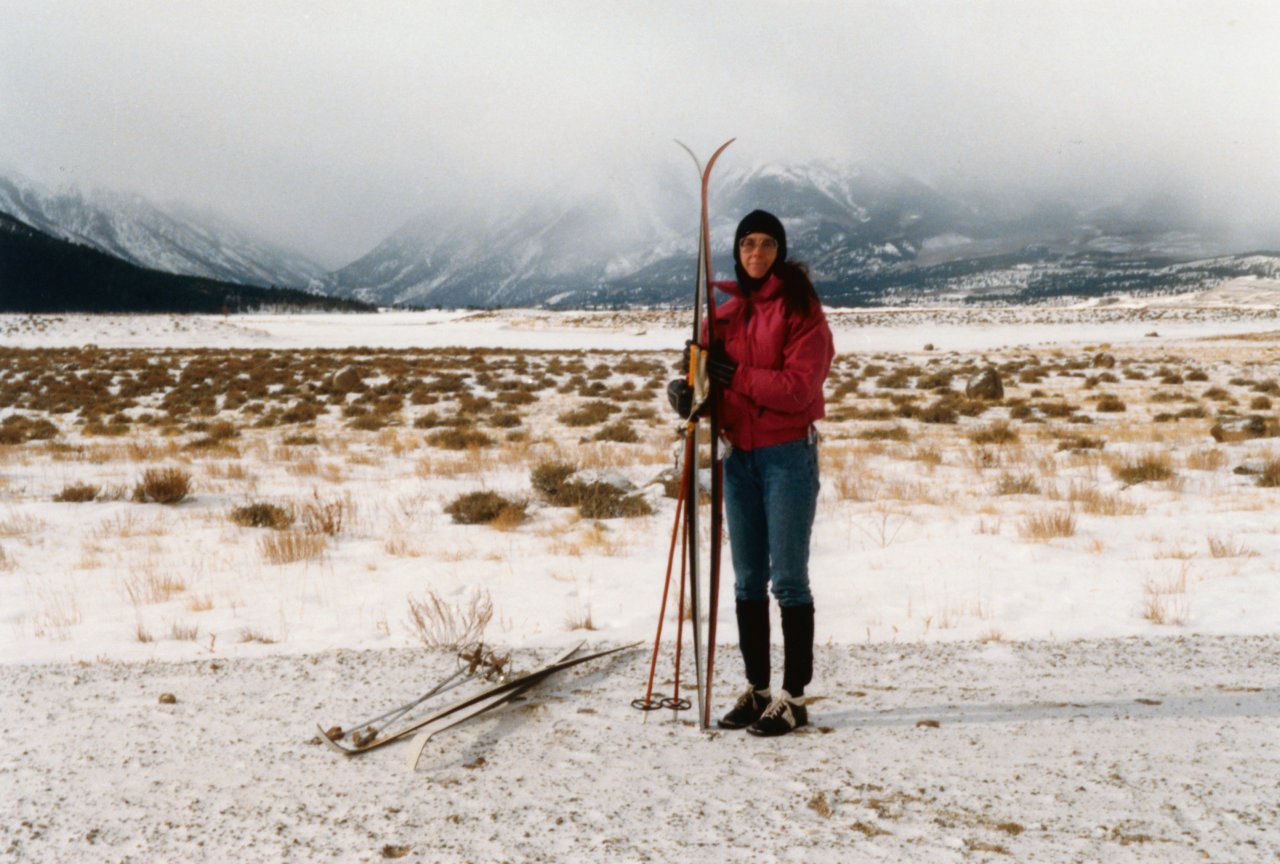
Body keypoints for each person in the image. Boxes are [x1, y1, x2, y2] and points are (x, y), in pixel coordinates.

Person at [669, 209, 835, 737]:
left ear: (779, 251)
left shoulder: (802, 310)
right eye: (747, 244)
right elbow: (703, 379)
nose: (756, 253)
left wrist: (735, 375)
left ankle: (794, 697)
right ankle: (759, 689)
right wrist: (687, 394)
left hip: (788, 455)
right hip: (737, 455)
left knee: (787, 578)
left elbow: (797, 389)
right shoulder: (723, 315)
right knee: (745, 580)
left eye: (765, 244)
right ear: (738, 253)